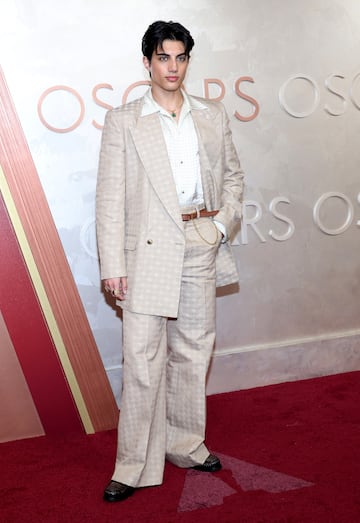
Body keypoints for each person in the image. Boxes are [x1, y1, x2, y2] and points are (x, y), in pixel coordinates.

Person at [96, 20, 244, 502]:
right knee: (141, 360)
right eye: (163, 57)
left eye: (180, 57)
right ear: (147, 62)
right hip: (146, 252)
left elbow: (233, 178)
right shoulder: (124, 120)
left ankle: (185, 444)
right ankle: (133, 464)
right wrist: (111, 265)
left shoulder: (211, 114)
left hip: (198, 241)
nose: (172, 67)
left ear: (187, 61)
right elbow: (109, 199)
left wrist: (219, 226)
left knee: (193, 352)